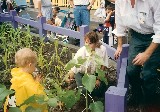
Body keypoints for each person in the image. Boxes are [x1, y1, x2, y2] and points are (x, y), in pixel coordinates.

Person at [114, 0, 160, 111]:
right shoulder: (120, 2)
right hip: (136, 36)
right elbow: (119, 24)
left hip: (154, 37)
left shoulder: (154, 1)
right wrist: (120, 45)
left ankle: (150, 102)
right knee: (131, 70)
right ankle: (137, 95)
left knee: (149, 74)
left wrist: (147, 54)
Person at [66, 31, 109, 97]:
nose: (87, 45)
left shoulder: (102, 50)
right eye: (86, 42)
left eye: (90, 43)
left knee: (99, 90)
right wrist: (69, 76)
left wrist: (98, 79)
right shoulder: (82, 51)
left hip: (95, 74)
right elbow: (74, 66)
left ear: (96, 43)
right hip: (81, 73)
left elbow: (103, 65)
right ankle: (76, 85)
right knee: (83, 91)